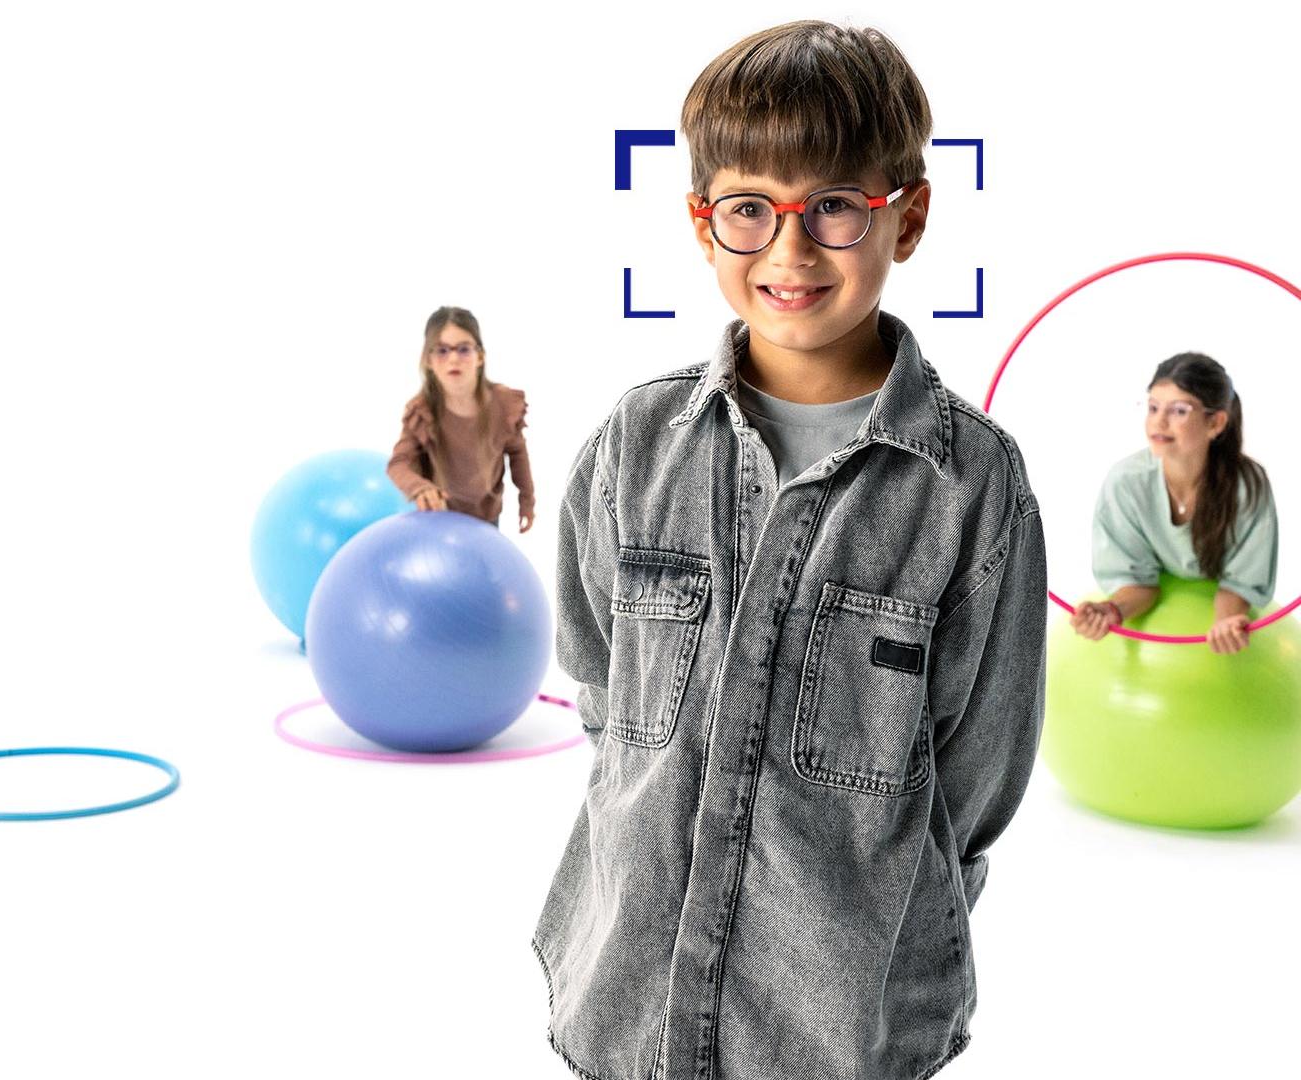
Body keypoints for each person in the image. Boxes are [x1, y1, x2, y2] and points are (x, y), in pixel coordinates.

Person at [530, 22, 1046, 1080]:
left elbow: (979, 778)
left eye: (836, 209)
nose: (790, 252)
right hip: (626, 1003)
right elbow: (598, 686)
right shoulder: (635, 447)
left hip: (841, 1030)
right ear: (702, 223)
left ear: (907, 217)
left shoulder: (971, 487)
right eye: (751, 208)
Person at [1070, 353, 1277, 654]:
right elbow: (1135, 580)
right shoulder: (1126, 482)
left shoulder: (1247, 485)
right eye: (1153, 407)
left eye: (1179, 410)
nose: (1159, 421)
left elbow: (1242, 580)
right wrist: (1111, 611)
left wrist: (1225, 622)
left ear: (1216, 422)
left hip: (1221, 615)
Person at [385, 306, 534, 532]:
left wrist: (527, 501)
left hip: (486, 516)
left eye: (463, 349)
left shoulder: (504, 405)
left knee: (482, 566)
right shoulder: (422, 411)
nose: (453, 358)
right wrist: (420, 488)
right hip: (439, 517)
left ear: (480, 356)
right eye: (442, 350)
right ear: (428, 360)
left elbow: (517, 453)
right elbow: (398, 463)